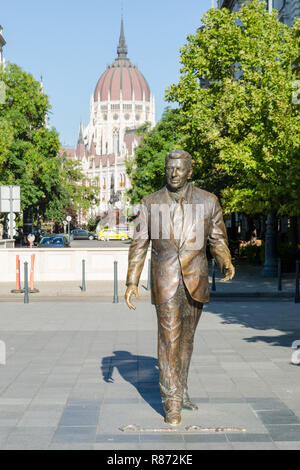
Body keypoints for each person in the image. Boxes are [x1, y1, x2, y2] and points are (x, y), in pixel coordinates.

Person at [125, 149, 235, 426]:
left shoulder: (208, 201)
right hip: (165, 280)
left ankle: (182, 389)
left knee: (186, 340)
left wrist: (225, 261)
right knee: (169, 339)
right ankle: (171, 402)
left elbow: (217, 238)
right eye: (169, 168)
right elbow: (139, 244)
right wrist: (131, 281)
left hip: (196, 280)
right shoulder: (150, 203)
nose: (173, 173)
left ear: (189, 171)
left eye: (179, 169)